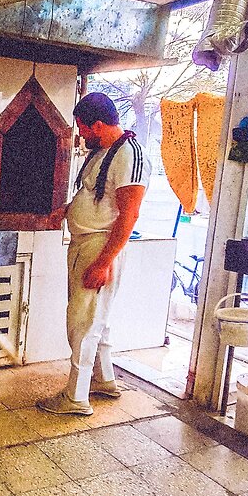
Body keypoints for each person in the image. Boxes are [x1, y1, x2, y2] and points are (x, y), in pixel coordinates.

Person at [38, 92, 150, 416]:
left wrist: (104, 262)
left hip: (101, 247)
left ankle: (75, 397)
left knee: (82, 323)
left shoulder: (130, 154)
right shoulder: (104, 151)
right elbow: (94, 195)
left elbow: (129, 215)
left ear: (98, 125)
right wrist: (67, 210)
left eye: (84, 129)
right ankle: (103, 379)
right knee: (94, 318)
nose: (82, 135)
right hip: (86, 242)